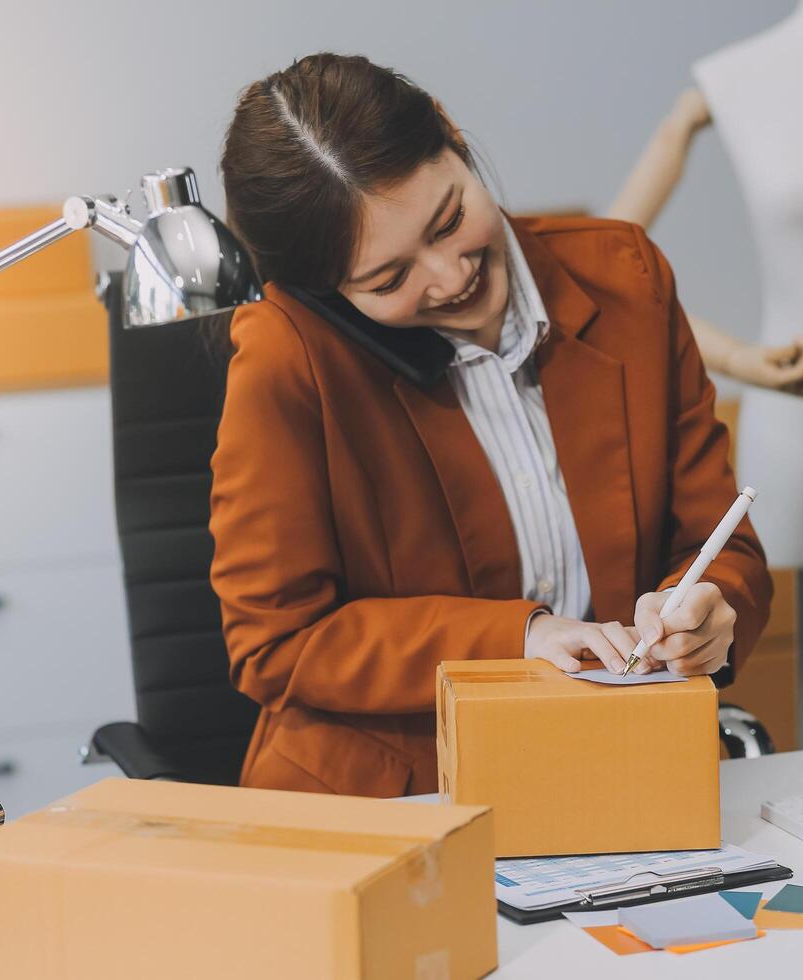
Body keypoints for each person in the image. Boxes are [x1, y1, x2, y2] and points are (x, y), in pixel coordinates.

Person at [210, 53, 771, 797]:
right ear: (327, 292)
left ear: (453, 138)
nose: (450, 276)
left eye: (449, 221)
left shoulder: (626, 278)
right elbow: (275, 642)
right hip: (392, 802)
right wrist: (520, 638)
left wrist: (710, 608)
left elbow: (718, 542)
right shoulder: (290, 357)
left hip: (619, 774)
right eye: (389, 279)